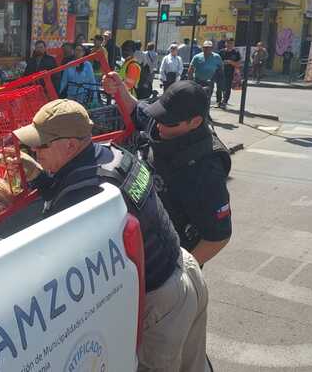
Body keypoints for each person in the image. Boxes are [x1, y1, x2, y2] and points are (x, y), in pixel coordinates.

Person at [12, 99, 210, 372]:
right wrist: (39, 174)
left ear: (70, 144)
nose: (34, 150)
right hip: (182, 268)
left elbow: (56, 256)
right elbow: (82, 183)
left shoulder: (87, 191)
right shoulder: (110, 154)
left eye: (41, 145)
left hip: (162, 301)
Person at [103, 75, 232, 266]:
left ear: (195, 122)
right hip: (142, 241)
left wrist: (180, 271)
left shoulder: (206, 170)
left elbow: (218, 238)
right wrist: (120, 89)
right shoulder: (164, 121)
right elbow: (136, 108)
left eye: (169, 122)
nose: (160, 125)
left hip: (169, 259)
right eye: (159, 116)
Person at [217, 38, 241, 108]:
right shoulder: (221, 52)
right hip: (220, 73)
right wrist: (222, 63)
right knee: (219, 88)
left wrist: (231, 62)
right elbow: (217, 62)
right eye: (228, 43)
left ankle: (225, 102)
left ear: (233, 44)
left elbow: (238, 64)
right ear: (225, 44)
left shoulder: (236, 53)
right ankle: (219, 101)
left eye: (231, 43)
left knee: (227, 89)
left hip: (230, 74)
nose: (229, 45)